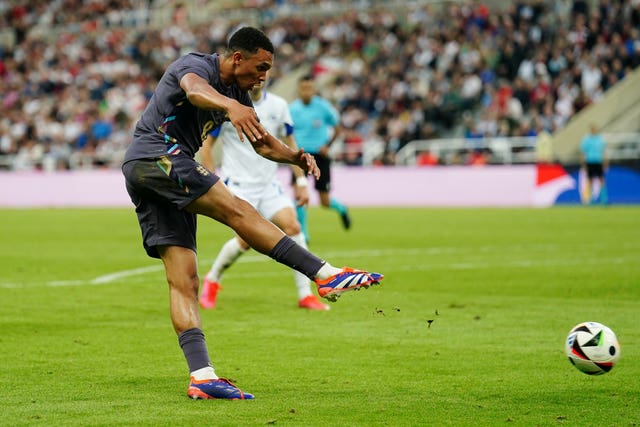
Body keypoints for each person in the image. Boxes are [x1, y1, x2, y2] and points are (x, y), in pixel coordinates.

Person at [121, 27, 383, 401]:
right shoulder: (198, 66)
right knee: (237, 209)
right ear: (237, 58)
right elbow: (194, 91)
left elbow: (262, 142)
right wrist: (229, 106)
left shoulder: (238, 94)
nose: (264, 76)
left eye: (269, 70)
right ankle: (325, 275)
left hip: (150, 172)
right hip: (156, 155)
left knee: (185, 279)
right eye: (260, 67)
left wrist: (294, 156)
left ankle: (202, 376)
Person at [199, 79, 329, 311]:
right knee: (247, 241)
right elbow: (207, 145)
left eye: (265, 70)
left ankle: (304, 295)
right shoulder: (229, 105)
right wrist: (211, 179)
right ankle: (212, 278)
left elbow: (290, 143)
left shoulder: (279, 106)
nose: (260, 77)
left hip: (269, 185)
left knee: (294, 227)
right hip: (238, 185)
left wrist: (300, 181)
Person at [289, 74, 351, 243]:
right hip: (300, 156)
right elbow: (286, 133)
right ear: (299, 90)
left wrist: (328, 146)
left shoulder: (323, 107)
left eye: (309, 88)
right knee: (299, 194)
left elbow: (337, 128)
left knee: (324, 201)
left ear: (314, 89)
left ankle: (342, 208)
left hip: (320, 156)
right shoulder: (292, 109)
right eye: (303, 88)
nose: (306, 92)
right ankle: (304, 234)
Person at [579, 124, 608, 204]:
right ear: (591, 130)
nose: (595, 131)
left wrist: (605, 162)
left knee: (601, 179)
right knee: (590, 180)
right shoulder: (587, 140)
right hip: (590, 161)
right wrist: (583, 163)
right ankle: (591, 199)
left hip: (598, 161)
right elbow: (583, 152)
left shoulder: (600, 139)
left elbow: (603, 152)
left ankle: (604, 199)